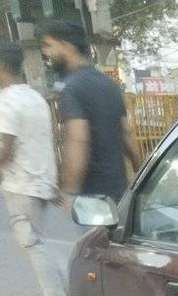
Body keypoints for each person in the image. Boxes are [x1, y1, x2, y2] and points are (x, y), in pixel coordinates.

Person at [40, 21, 141, 204]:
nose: (45, 52)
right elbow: (127, 135)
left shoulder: (71, 87)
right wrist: (141, 178)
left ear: (67, 46)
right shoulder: (109, 84)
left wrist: (69, 192)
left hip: (90, 198)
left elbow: (78, 141)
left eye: (49, 45)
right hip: (118, 191)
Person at [0, 42, 64, 296]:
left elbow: (5, 150)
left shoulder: (6, 101)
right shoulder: (36, 98)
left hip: (21, 183)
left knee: (33, 243)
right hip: (41, 181)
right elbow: (50, 139)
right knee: (40, 242)